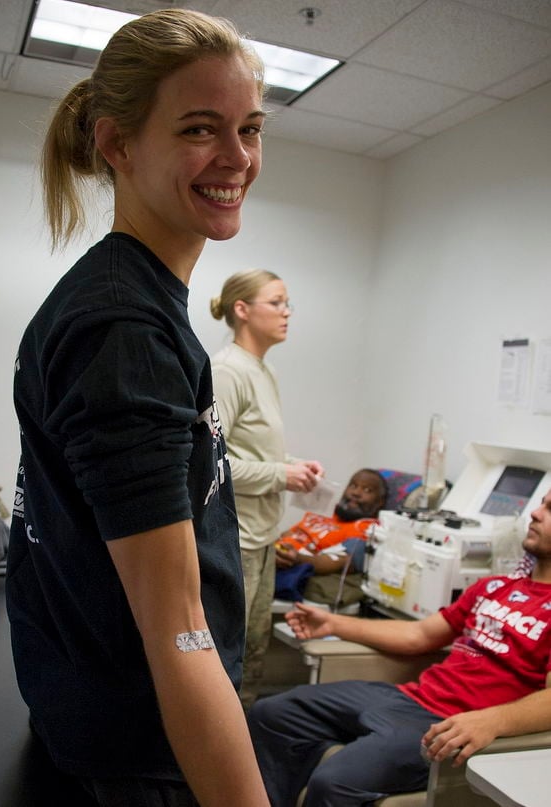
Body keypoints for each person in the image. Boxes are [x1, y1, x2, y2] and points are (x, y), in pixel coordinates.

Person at [5, 9, 271, 806]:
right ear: (119, 144)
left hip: (101, 719)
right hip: (143, 750)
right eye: (201, 129)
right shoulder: (126, 329)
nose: (238, 159)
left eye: (250, 128)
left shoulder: (127, 298)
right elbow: (179, 630)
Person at [248, 488, 551, 807]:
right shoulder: (495, 587)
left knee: (334, 783)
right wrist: (334, 625)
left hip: (448, 724)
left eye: (550, 509)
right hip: (409, 698)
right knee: (272, 714)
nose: (534, 513)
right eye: (541, 504)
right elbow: (418, 636)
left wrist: (491, 721)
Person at [210, 269, 323, 708]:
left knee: (254, 652)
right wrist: (282, 476)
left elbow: (252, 450)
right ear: (242, 310)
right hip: (235, 540)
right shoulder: (226, 372)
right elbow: (210, 465)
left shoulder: (263, 370)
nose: (286, 312)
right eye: (276, 302)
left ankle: (245, 744)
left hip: (263, 538)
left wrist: (295, 466)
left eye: (287, 302)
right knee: (228, 655)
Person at [274, 468, 387, 607]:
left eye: (367, 490)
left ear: (380, 502)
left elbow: (338, 561)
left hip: (292, 567)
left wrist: (296, 558)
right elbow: (290, 533)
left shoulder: (366, 528)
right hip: (274, 554)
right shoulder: (326, 512)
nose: (356, 493)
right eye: (353, 485)